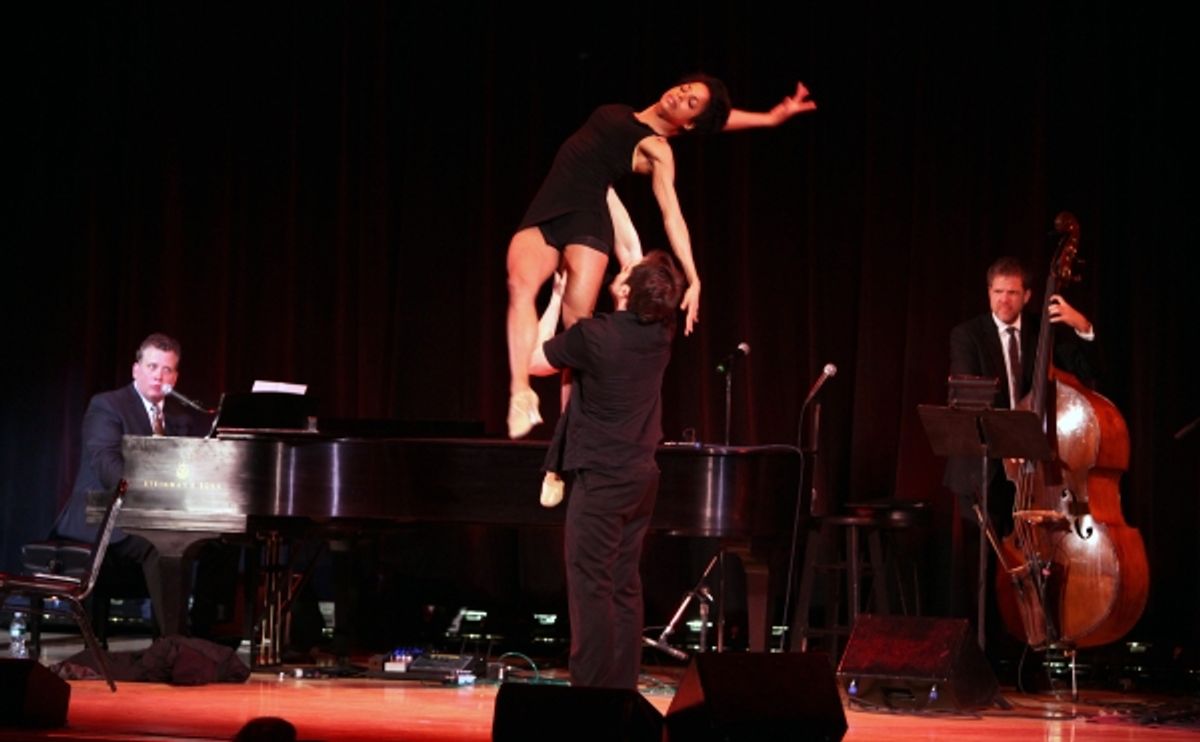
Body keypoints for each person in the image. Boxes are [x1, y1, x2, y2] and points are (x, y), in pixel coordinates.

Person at [506, 74, 817, 438]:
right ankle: (521, 393)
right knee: (519, 285)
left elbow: (672, 215)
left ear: (689, 124)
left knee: (578, 334)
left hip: (586, 222)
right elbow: (717, 117)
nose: (681, 95)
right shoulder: (624, 112)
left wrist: (694, 276)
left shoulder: (656, 149)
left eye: (690, 104)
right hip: (550, 206)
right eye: (686, 89)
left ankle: (565, 447)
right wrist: (769, 117)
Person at [528, 250, 684, 689]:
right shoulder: (662, 332)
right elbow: (643, 265)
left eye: (624, 275)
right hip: (640, 479)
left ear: (625, 290)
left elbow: (534, 361)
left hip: (602, 479)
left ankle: (591, 697)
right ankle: (620, 691)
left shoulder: (596, 337)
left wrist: (557, 299)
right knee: (622, 585)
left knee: (591, 586)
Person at [942, 256, 1097, 656]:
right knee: (980, 568)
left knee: (1032, 561)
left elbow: (1086, 375)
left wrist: (1083, 328)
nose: (1004, 300)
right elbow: (971, 393)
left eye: (1012, 292)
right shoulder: (968, 335)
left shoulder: (1043, 335)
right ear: (988, 293)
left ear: (1028, 296)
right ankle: (974, 654)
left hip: (1032, 472)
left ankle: (1022, 650)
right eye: (997, 292)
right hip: (982, 466)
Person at [51, 332, 212, 635]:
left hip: (152, 516)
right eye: (152, 366)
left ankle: (207, 635)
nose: (158, 375)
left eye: (167, 369)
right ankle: (172, 644)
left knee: (215, 542)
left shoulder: (180, 418)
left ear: (175, 377)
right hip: (98, 519)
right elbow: (107, 467)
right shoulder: (108, 405)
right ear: (135, 369)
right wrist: (155, 493)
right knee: (159, 544)